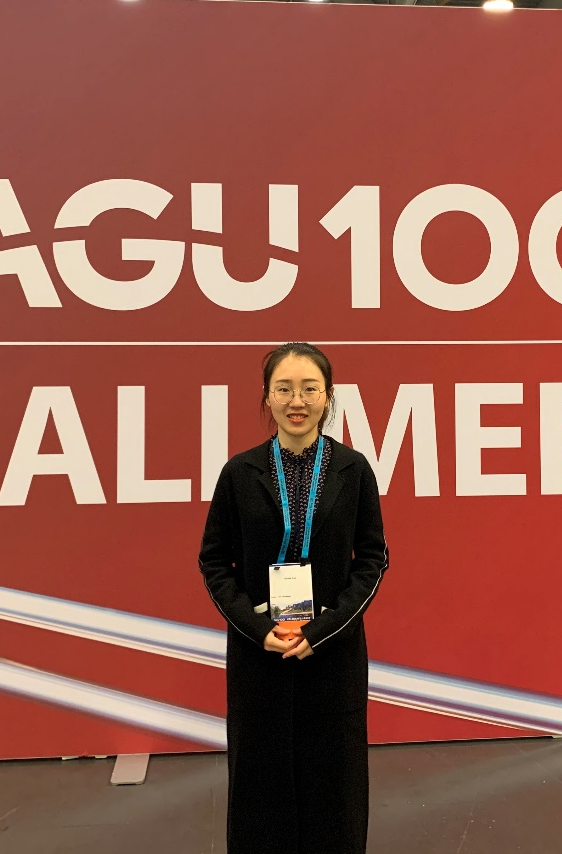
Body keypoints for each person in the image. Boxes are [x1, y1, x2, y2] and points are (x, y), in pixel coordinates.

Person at [198, 342, 389, 854]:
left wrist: (324, 629)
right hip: (259, 653)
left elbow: (372, 559)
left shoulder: (353, 470)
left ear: (328, 396)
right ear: (267, 396)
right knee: (260, 784)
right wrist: (257, 629)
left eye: (309, 389)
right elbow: (214, 561)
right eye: (284, 389)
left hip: (332, 651)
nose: (297, 401)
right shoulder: (239, 473)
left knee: (334, 782)